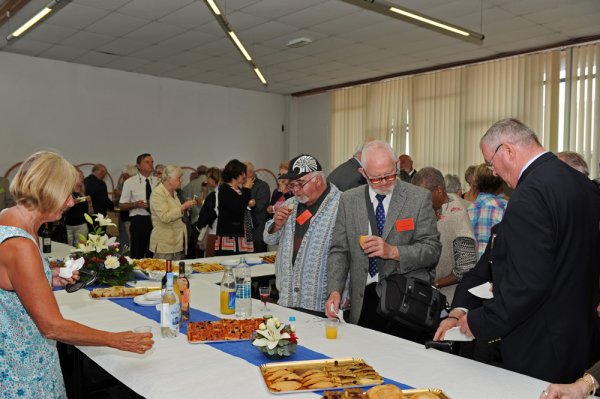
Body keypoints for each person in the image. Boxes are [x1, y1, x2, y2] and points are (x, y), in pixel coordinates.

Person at [434, 119, 600, 383]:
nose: (495, 173)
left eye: (491, 163)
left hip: (540, 344)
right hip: (582, 339)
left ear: (508, 150)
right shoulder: (583, 185)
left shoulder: (530, 193)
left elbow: (529, 283)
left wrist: (479, 322)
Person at [0, 151, 153, 398]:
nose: (72, 203)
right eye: (69, 194)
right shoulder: (21, 244)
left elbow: (10, 278)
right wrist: (116, 340)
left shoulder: (10, 220)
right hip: (23, 371)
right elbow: (52, 327)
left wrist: (48, 275)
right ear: (48, 190)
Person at [325, 141, 441, 340]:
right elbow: (339, 250)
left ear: (396, 164)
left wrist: (393, 252)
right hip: (364, 300)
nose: (385, 182)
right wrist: (335, 290)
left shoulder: (418, 198)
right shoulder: (349, 200)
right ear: (363, 173)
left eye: (390, 174)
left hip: (406, 300)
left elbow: (432, 250)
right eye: (376, 179)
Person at [264, 154, 341, 316]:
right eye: (292, 185)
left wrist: (343, 291)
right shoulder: (290, 203)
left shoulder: (341, 204)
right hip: (288, 297)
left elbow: (349, 253)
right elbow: (269, 238)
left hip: (321, 301)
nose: (296, 190)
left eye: (300, 184)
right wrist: (276, 225)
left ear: (318, 180)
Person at [413, 167, 476, 303]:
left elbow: (466, 268)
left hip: (450, 301)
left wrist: (434, 285)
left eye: (422, 196)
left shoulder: (457, 217)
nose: (418, 201)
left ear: (439, 190)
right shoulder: (437, 209)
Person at [149, 165, 197, 260]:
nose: (181, 181)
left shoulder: (174, 193)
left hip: (176, 243)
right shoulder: (157, 193)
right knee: (163, 273)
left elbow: (175, 213)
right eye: (179, 178)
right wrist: (184, 207)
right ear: (169, 179)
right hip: (164, 245)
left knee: (175, 273)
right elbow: (165, 217)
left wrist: (185, 208)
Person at [119, 153, 157, 259]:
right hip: (139, 220)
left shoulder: (158, 181)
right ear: (139, 166)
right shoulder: (130, 182)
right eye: (147, 162)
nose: (151, 164)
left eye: (152, 162)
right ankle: (137, 274)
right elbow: (122, 205)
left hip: (157, 220)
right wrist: (136, 204)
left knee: (154, 252)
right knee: (137, 253)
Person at [467, 164, 507, 259]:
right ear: (500, 182)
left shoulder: (468, 209)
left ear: (477, 183)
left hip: (474, 266)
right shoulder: (505, 207)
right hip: (497, 264)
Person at [214, 160, 254, 255]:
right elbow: (237, 208)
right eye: (242, 173)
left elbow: (240, 204)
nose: (244, 176)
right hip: (230, 234)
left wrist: (248, 203)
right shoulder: (225, 189)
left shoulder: (237, 189)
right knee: (231, 261)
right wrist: (247, 189)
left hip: (240, 231)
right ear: (235, 174)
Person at [244, 161, 270, 253]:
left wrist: (252, 204)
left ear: (250, 173)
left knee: (260, 260)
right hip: (244, 232)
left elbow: (260, 207)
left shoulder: (262, 186)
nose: (240, 176)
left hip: (258, 231)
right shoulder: (240, 186)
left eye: (243, 172)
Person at [64, 168, 93, 247]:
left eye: (82, 177)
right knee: (67, 247)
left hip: (82, 225)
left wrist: (90, 202)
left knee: (81, 248)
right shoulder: (68, 193)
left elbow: (91, 213)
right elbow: (63, 211)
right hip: (69, 225)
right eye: (81, 177)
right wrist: (72, 203)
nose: (83, 178)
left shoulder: (84, 193)